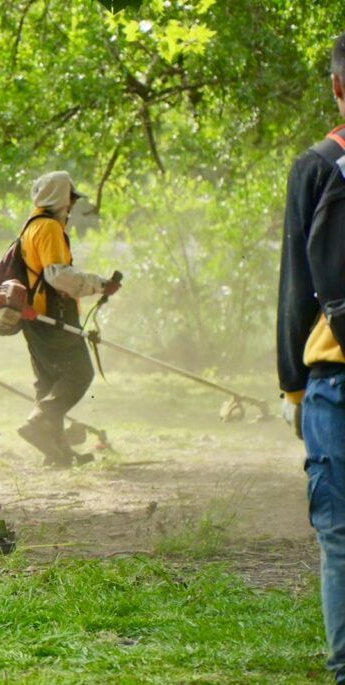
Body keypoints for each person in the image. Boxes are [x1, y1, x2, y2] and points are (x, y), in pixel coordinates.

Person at [277, 31, 345, 684]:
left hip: (335, 375)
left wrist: (292, 390)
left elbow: (298, 287)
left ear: (336, 87)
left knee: (341, 537)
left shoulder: (317, 167)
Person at [16, 171, 120, 468]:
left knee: (49, 382)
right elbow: (58, 275)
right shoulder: (48, 228)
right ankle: (40, 421)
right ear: (60, 197)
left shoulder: (31, 227)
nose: (72, 205)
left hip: (36, 319)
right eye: (71, 198)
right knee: (79, 373)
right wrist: (100, 284)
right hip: (53, 314)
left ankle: (57, 453)